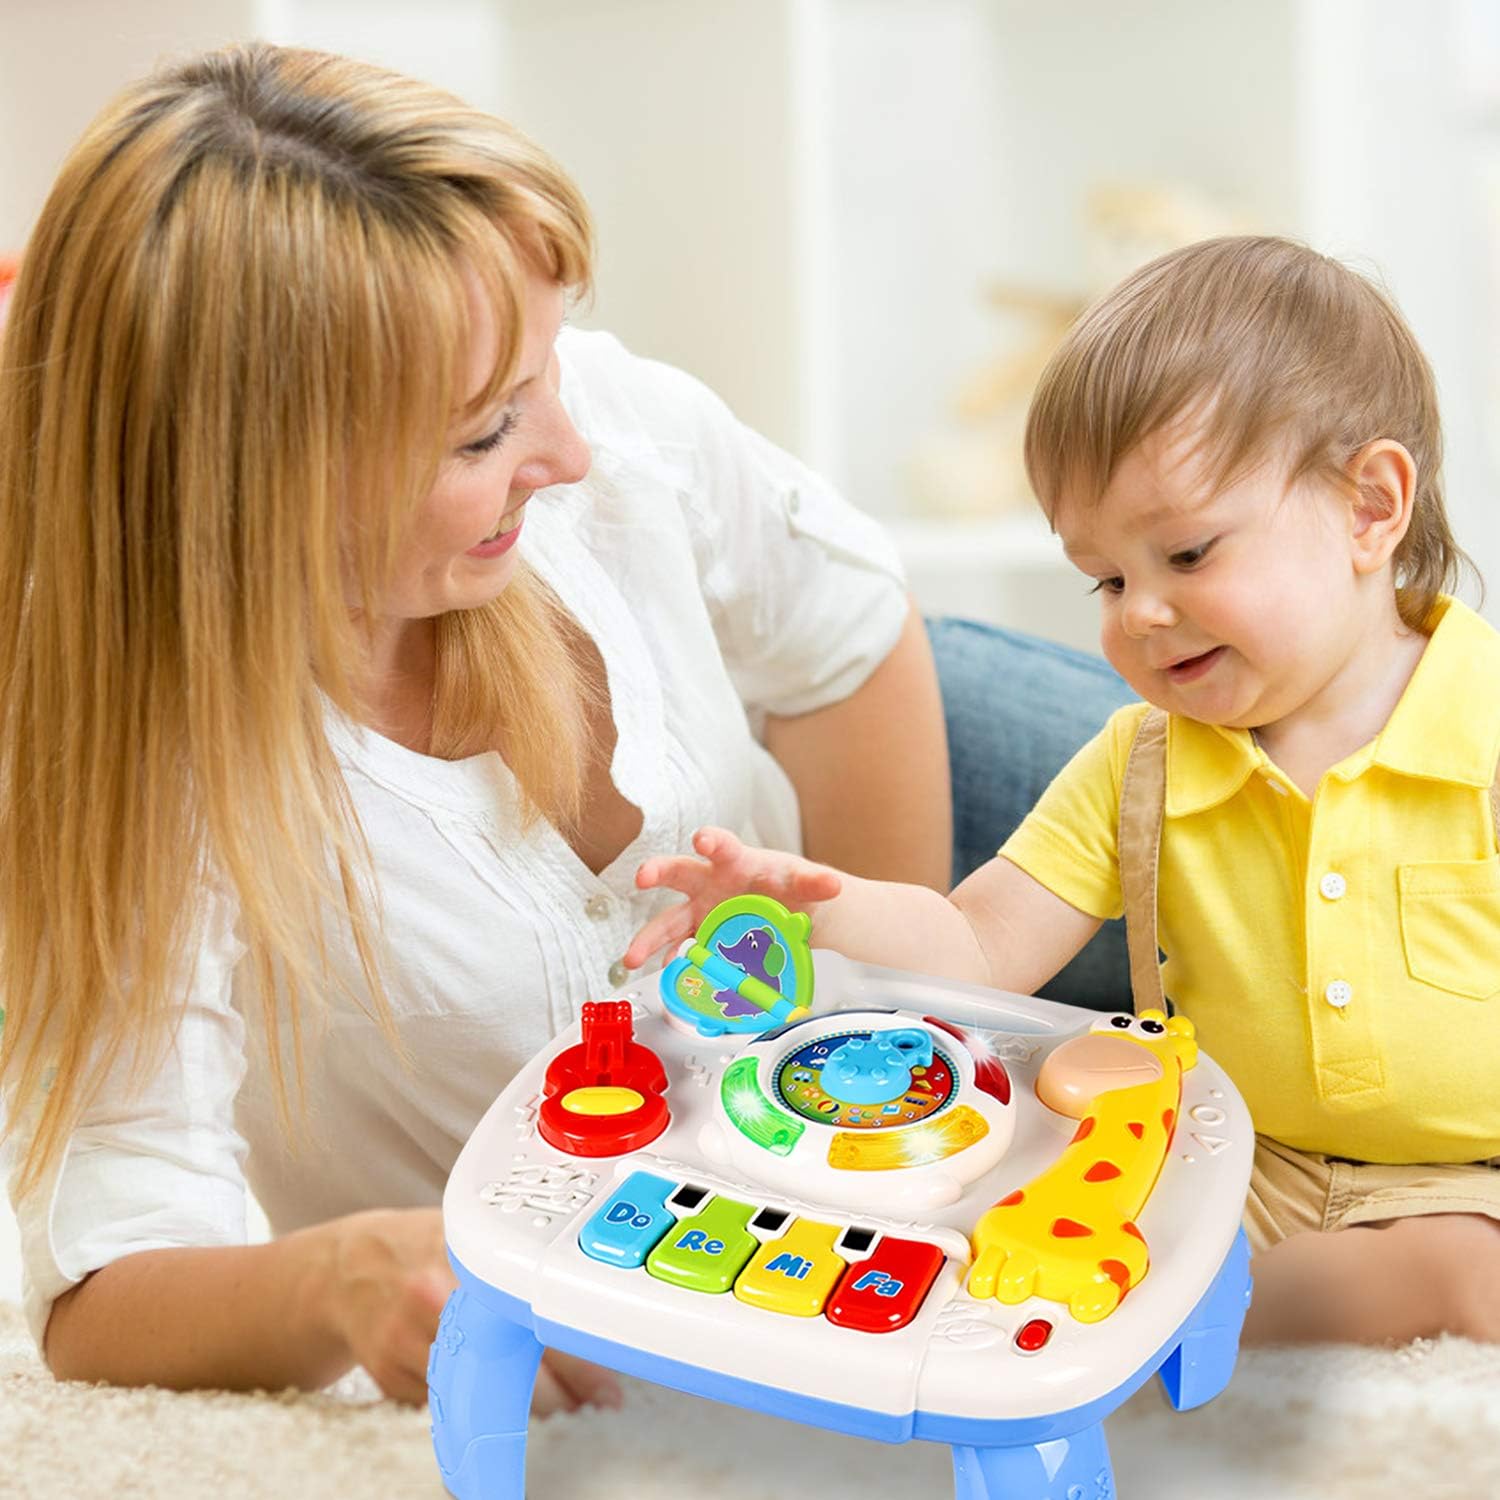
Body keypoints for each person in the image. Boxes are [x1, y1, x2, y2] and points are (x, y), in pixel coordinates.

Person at [0, 41, 957, 1409]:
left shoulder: (602, 430)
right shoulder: (148, 772)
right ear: (256, 485)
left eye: (547, 369)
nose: (567, 450)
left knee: (1325, 780)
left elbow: (847, 637)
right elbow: (105, 1289)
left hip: (930, 788)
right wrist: (342, 1277)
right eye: (484, 433)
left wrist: (902, 1042)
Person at [631, 235, 1500, 1348]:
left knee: (1465, 1277)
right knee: (1008, 1255)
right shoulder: (1140, 760)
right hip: (1224, 1164)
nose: (1138, 612)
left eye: (1186, 555)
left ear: (1370, 510)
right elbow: (975, 944)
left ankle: (1221, 1341)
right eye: (1108, 577)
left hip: (1466, 1186)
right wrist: (820, 902)